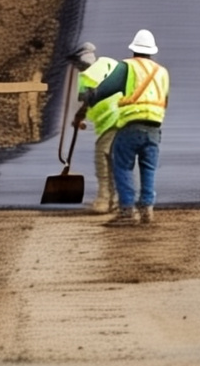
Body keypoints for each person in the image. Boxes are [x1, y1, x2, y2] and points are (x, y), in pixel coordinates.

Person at [77, 29, 169, 226]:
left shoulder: (127, 67)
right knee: (148, 168)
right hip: (154, 129)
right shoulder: (162, 72)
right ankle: (147, 209)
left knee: (123, 166)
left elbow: (106, 88)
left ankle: (127, 211)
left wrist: (89, 96)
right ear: (151, 51)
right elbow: (164, 99)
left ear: (133, 50)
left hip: (131, 126)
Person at [68, 41, 121, 214]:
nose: (76, 68)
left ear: (81, 61)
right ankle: (118, 198)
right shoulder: (109, 64)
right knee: (119, 161)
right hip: (126, 115)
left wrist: (78, 117)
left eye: (77, 64)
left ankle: (105, 200)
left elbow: (86, 102)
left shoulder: (86, 76)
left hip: (109, 120)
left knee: (103, 160)